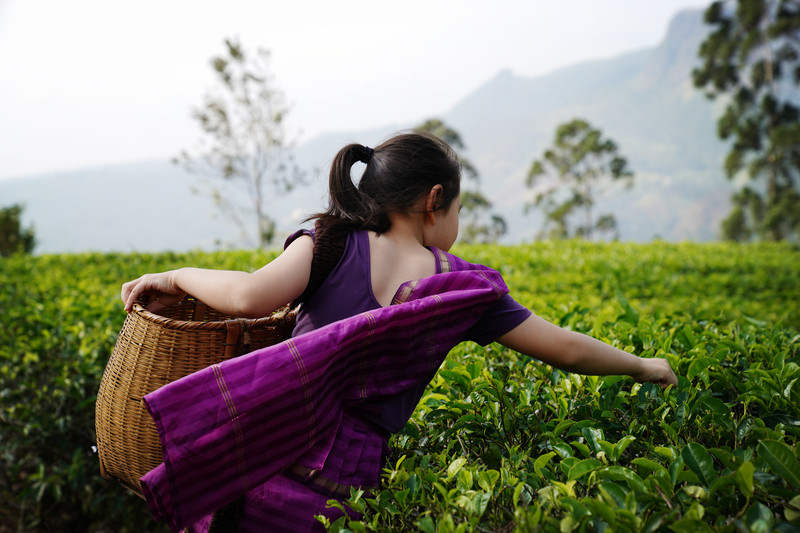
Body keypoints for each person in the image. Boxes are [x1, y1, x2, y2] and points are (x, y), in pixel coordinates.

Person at [121, 131, 677, 532]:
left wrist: (172, 276)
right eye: (459, 208)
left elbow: (247, 296)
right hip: (343, 478)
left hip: (264, 442)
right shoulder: (460, 289)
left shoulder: (328, 242)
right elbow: (566, 348)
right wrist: (643, 365)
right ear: (435, 201)